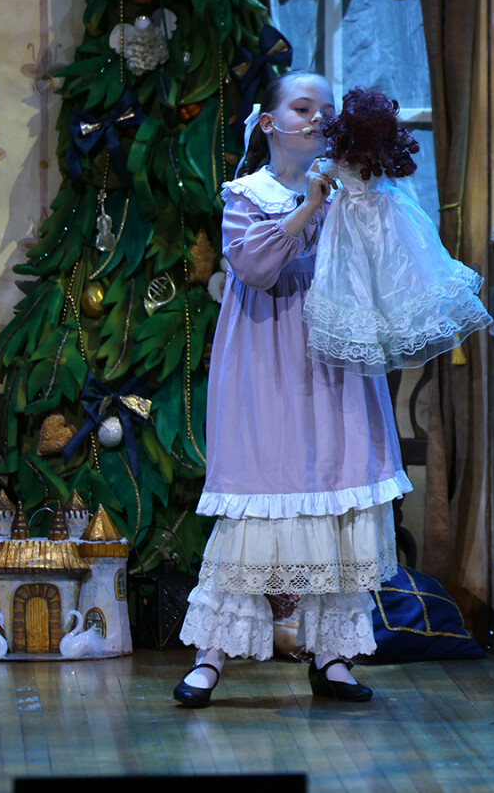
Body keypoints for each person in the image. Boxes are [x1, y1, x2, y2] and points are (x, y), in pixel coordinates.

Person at [172, 71, 409, 708]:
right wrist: (308, 207)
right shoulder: (247, 194)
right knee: (258, 500)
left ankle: (331, 656)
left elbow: (384, 267)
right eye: (302, 107)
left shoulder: (349, 191)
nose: (316, 118)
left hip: (334, 365)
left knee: (335, 495)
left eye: (325, 109)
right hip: (267, 366)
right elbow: (254, 268)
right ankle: (211, 655)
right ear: (269, 122)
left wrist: (360, 198)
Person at [301, 87, 491, 375]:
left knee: (362, 274)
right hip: (391, 216)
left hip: (354, 221)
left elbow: (322, 173)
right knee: (391, 274)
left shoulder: (339, 161)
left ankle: (379, 330)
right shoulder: (378, 157)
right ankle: (389, 328)